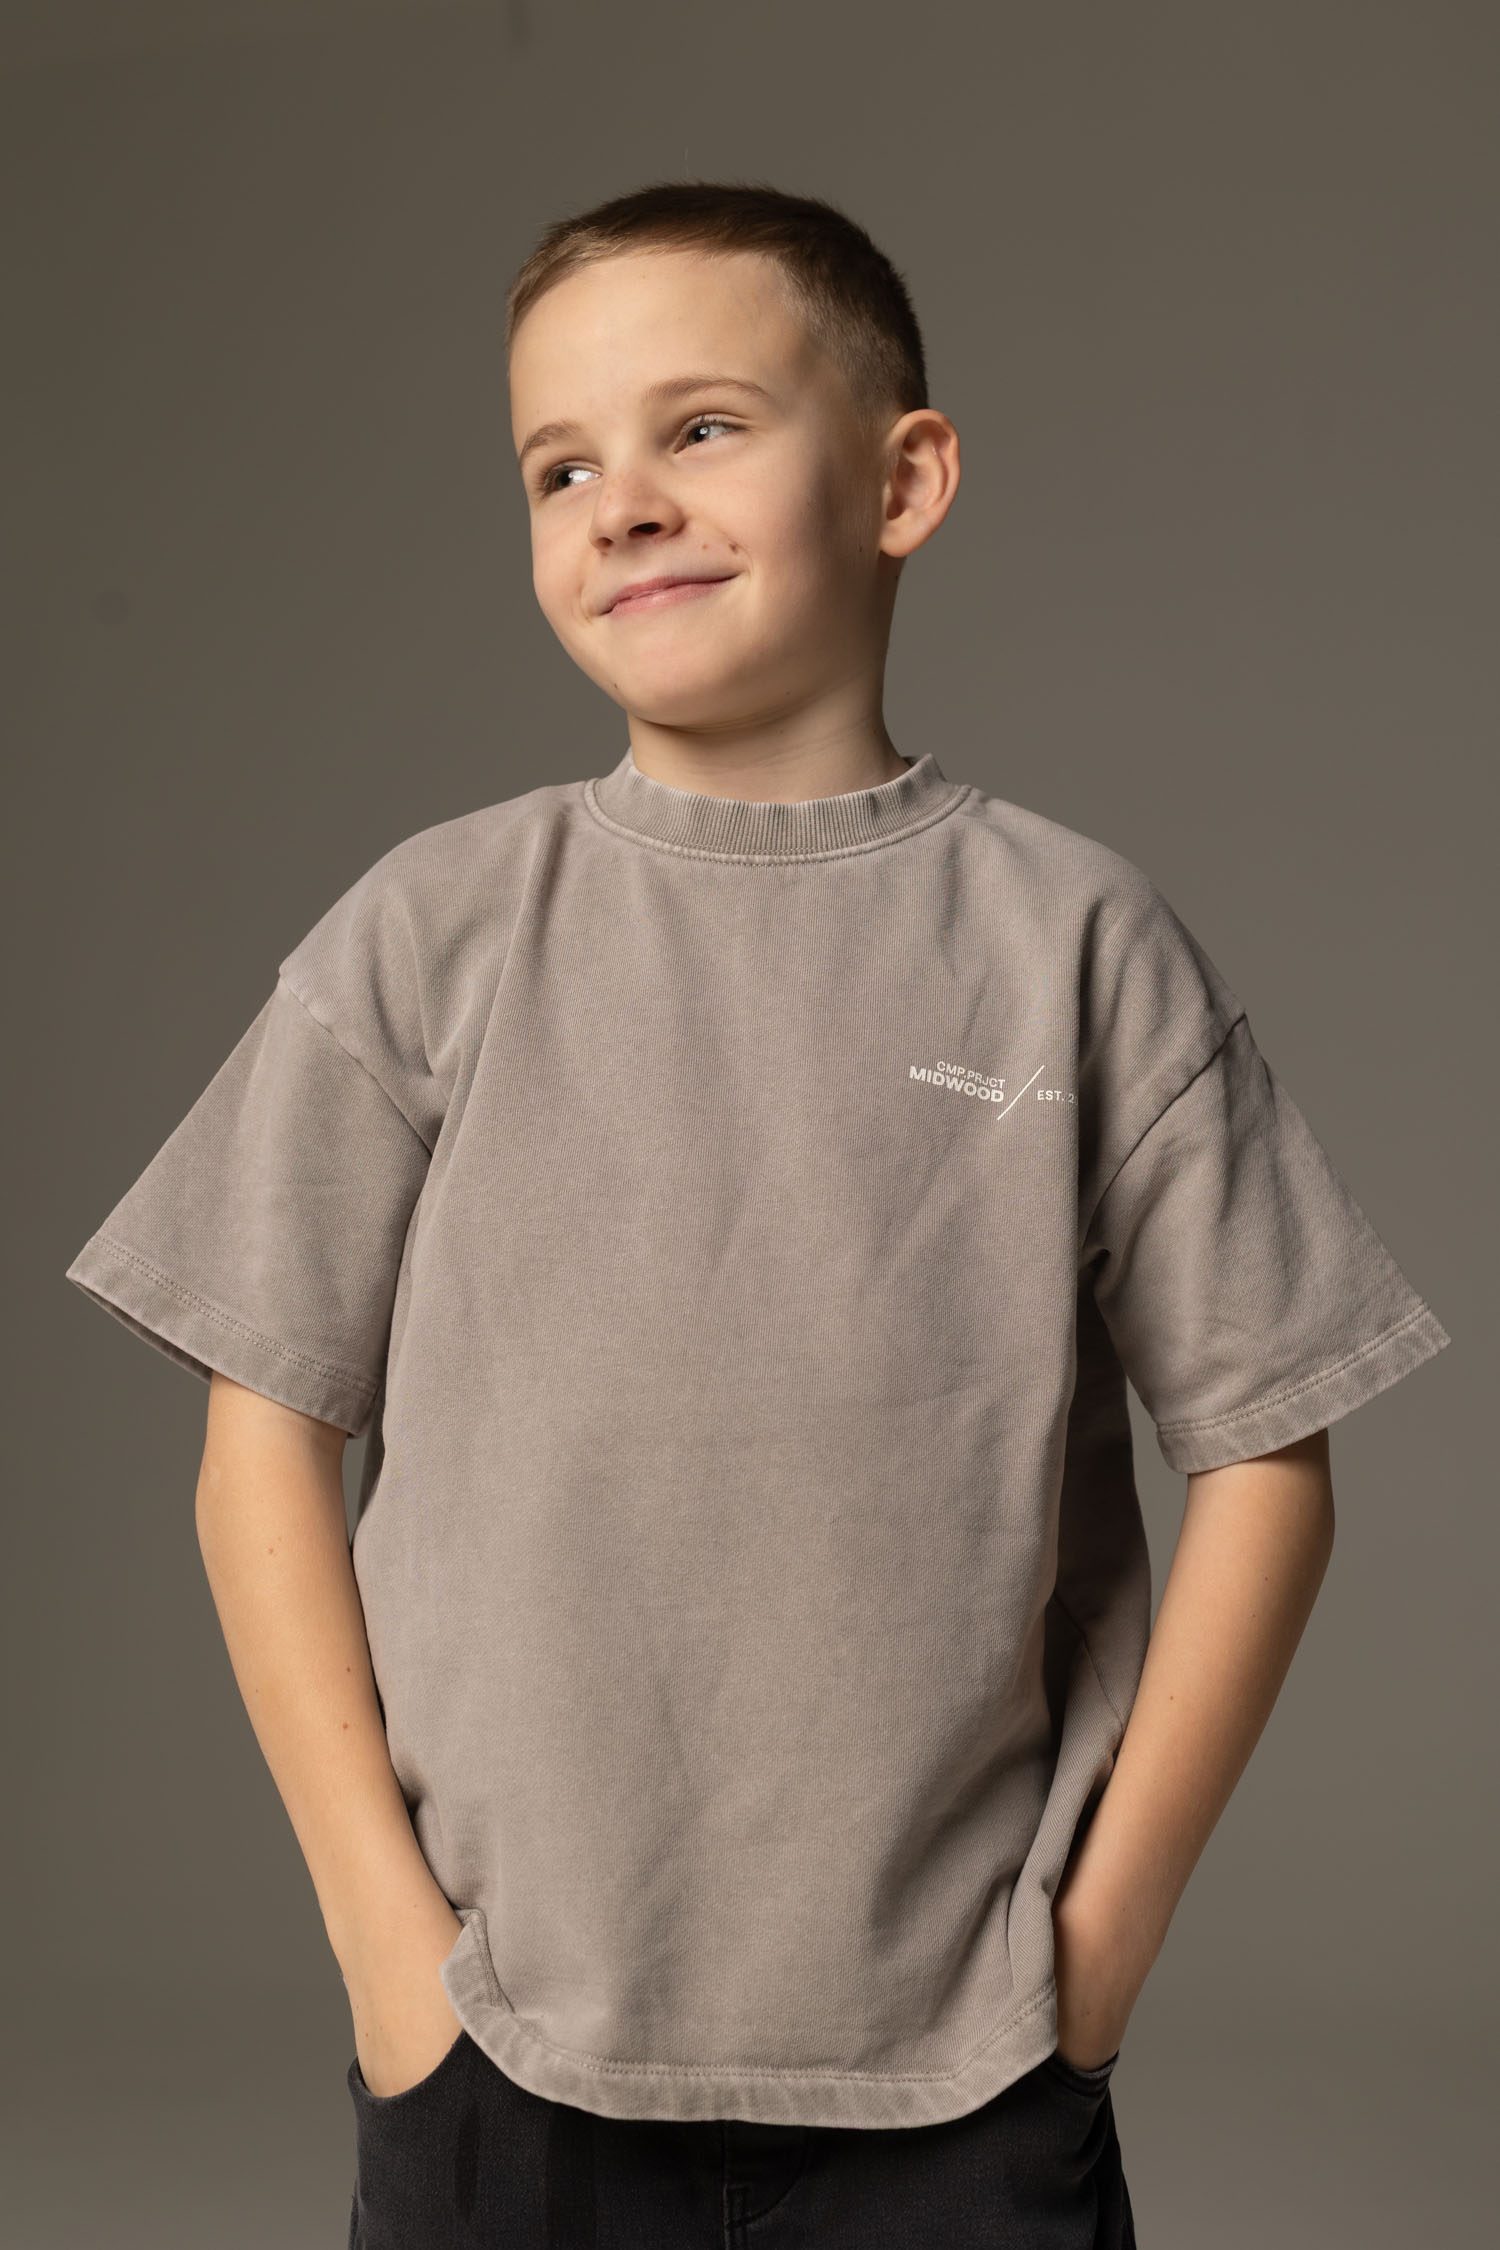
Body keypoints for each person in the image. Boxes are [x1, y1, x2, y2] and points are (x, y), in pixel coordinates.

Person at [64, 182, 1449, 2250]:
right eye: (559, 466)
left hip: (969, 2063)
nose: (622, 499)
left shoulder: (1076, 944)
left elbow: (1271, 1450)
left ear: (904, 480)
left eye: (700, 427)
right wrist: (385, 1950)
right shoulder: (432, 935)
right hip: (500, 2048)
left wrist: (1097, 1950)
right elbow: (260, 1437)